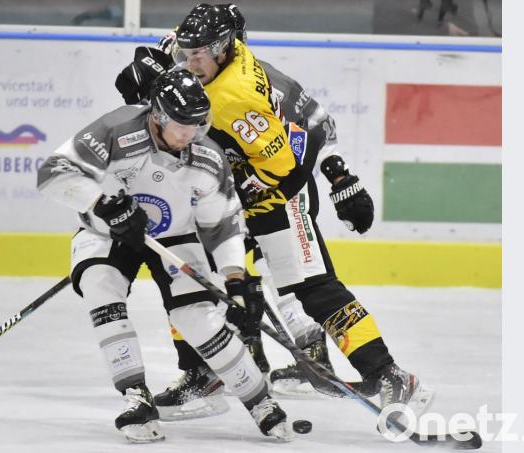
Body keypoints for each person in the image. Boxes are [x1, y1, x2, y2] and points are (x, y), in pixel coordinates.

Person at [114, 3, 432, 422]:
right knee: (187, 274)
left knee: (313, 288)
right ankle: (202, 373)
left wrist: (333, 178)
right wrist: (148, 67)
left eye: (199, 55)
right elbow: (168, 51)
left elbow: (282, 168)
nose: (190, 62)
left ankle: (388, 373)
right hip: (235, 179)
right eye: (187, 53)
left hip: (278, 191)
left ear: (224, 49)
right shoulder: (202, 53)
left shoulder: (237, 98)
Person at [37, 69, 293, 442]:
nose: (191, 133)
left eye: (197, 123)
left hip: (175, 236)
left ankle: (260, 402)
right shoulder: (116, 130)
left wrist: (235, 280)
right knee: (100, 285)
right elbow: (53, 172)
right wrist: (103, 204)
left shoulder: (207, 156)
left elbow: (221, 225)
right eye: (182, 124)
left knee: (197, 317)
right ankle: (136, 396)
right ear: (157, 114)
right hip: (108, 231)